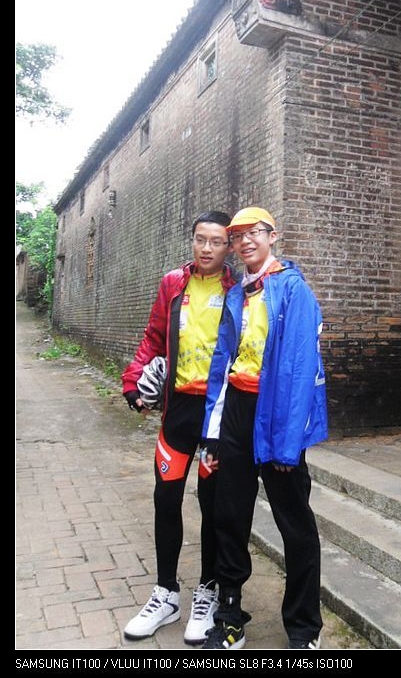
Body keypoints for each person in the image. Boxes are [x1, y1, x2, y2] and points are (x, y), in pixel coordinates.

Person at [201, 207, 328, 650]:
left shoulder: (293, 290)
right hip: (237, 410)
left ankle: (304, 630)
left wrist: (288, 443)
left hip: (276, 412)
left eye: (254, 232)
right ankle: (229, 617)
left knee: (295, 524)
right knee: (229, 516)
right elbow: (221, 364)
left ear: (273, 236)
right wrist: (213, 433)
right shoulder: (237, 294)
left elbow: (299, 368)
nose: (245, 241)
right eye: (238, 236)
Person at [121, 210, 237, 645]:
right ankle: (166, 593)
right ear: (192, 240)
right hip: (178, 412)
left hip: (215, 417)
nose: (207, 248)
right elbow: (153, 337)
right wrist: (133, 381)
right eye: (200, 239)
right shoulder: (173, 283)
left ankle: (207, 593)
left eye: (216, 241)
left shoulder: (237, 289)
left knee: (212, 505)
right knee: (166, 499)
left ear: (228, 247)